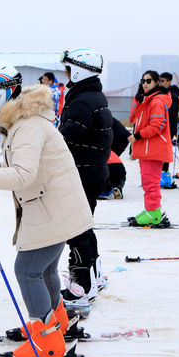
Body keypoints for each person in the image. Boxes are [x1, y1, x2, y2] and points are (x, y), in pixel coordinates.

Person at [0, 62, 92, 357]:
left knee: (27, 271)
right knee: (44, 271)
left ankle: (46, 344)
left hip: (51, 209)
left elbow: (23, 175)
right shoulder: (24, 123)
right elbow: (18, 168)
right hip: (56, 208)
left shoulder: (26, 126)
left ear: (0, 93)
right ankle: (52, 325)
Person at [57, 48, 113, 307]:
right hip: (90, 171)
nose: (67, 74)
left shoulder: (81, 101)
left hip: (81, 173)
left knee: (75, 229)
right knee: (84, 224)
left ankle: (82, 286)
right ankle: (94, 273)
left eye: (69, 69)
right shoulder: (92, 95)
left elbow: (65, 139)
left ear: (80, 70)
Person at [127, 70, 173, 226]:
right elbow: (134, 118)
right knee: (147, 182)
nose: (145, 84)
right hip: (147, 148)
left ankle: (154, 213)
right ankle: (150, 210)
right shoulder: (147, 100)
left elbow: (157, 126)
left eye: (148, 81)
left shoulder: (157, 101)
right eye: (143, 81)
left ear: (156, 83)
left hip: (153, 148)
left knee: (151, 182)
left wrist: (138, 135)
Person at [158, 73, 179, 188]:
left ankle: (165, 177)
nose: (160, 83)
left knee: (164, 153)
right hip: (164, 128)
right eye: (159, 81)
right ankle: (160, 177)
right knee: (160, 152)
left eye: (162, 81)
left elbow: (171, 116)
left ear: (169, 82)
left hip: (167, 129)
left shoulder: (172, 95)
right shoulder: (164, 94)